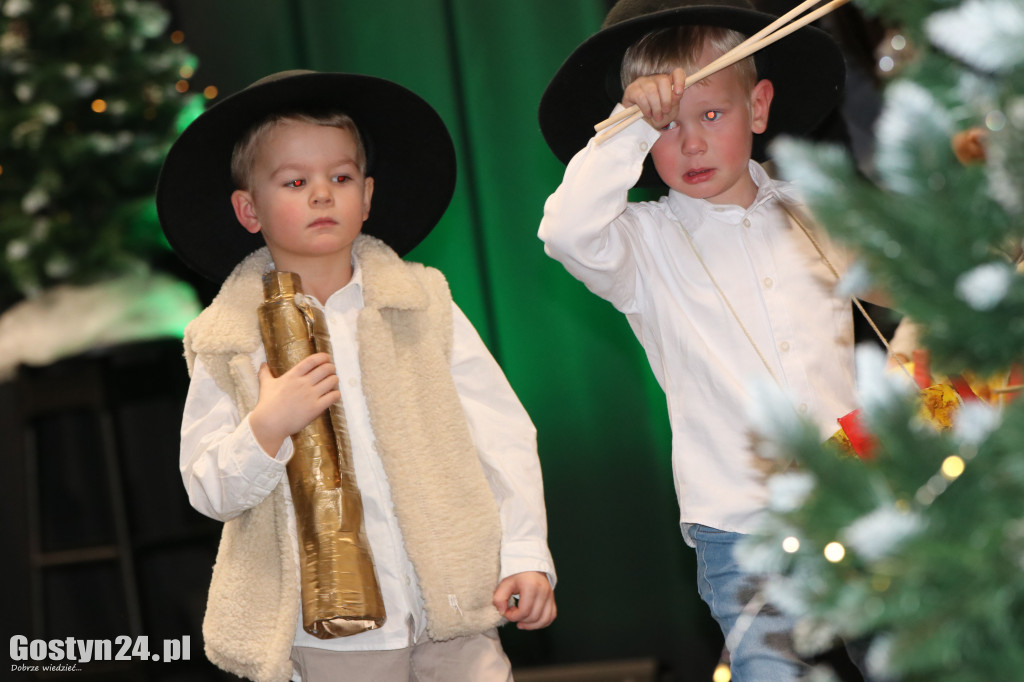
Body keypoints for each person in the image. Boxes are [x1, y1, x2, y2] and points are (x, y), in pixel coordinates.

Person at [156, 71, 556, 682]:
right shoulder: (227, 341)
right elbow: (207, 490)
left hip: (453, 616)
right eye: (295, 181)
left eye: (340, 178)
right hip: (330, 644)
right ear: (248, 209)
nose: (322, 194)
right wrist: (268, 426)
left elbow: (502, 434)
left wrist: (526, 554)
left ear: (366, 197)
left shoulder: (423, 304)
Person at [537, 1, 871, 679]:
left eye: (711, 115)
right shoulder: (644, 244)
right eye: (665, 127)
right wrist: (626, 133)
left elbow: (913, 280)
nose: (688, 144)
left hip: (863, 501)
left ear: (759, 107)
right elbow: (565, 232)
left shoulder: (816, 210)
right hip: (743, 529)